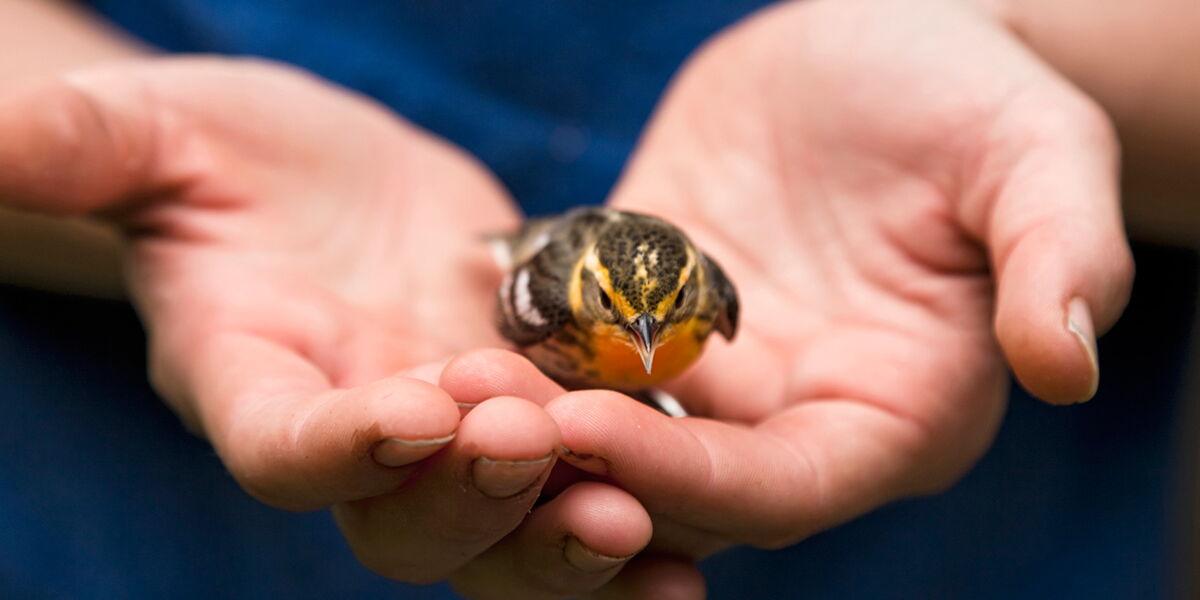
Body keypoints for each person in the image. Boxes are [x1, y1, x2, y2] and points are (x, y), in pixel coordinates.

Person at [0, 0, 1195, 598]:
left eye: (654, 326)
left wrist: (1028, 41)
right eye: (611, 324)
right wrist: (160, 202)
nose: (636, 336)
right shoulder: (545, 296)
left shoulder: (705, 299)